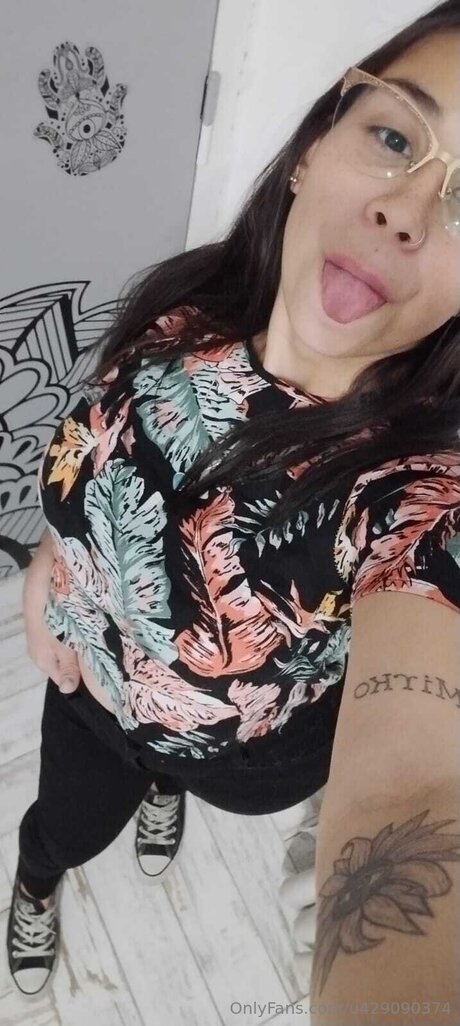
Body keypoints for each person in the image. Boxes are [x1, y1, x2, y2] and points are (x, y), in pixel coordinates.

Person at [7, 0, 460, 1003]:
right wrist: (51, 565)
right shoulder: (187, 310)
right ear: (312, 150)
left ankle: (167, 779)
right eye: (395, 137)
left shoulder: (416, 494)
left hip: (241, 758)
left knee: (176, 770)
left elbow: (416, 786)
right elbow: (90, 464)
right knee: (64, 827)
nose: (407, 211)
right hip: (84, 688)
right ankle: (36, 881)